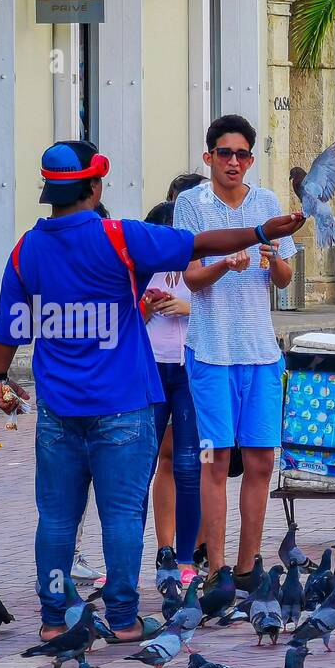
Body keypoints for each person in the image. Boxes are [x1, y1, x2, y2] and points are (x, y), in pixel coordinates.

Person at [0, 140, 304, 642]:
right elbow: (198, 244)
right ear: (95, 185)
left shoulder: (26, 250)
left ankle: (52, 620)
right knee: (121, 515)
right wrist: (263, 231)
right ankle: (123, 619)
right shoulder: (119, 238)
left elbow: (8, 327)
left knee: (55, 518)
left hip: (57, 411)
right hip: (122, 407)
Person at [173, 115, 299, 594]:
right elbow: (190, 279)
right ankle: (215, 569)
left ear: (250, 159)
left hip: (261, 351)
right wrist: (225, 262)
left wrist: (274, 258)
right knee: (215, 459)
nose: (232, 162)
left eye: (241, 154)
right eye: (223, 153)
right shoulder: (191, 204)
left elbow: (285, 281)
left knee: (262, 460)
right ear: (208, 158)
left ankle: (248, 568)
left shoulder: (267, 203)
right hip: (209, 349)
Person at [142, 172, 206, 586]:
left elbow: (228, 315)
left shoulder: (201, 270)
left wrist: (187, 307)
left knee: (190, 464)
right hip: (150, 370)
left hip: (190, 369)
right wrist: (145, 307)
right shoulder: (141, 271)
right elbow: (123, 318)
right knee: (147, 462)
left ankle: (189, 555)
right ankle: (161, 551)